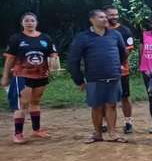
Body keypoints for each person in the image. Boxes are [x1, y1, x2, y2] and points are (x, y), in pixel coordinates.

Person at [67, 9, 127, 143]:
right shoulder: (83, 37)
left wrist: (119, 65)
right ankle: (98, 133)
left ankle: (112, 133)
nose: (105, 19)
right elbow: (73, 60)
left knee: (111, 105)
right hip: (94, 78)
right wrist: (79, 80)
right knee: (96, 106)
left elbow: (123, 53)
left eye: (106, 17)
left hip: (113, 76)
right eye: (101, 17)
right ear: (92, 20)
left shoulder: (115, 35)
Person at [2, 12, 60, 143]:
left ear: (36, 22)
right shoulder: (16, 38)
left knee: (35, 102)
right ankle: (18, 134)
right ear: (22, 23)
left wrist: (54, 63)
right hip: (22, 75)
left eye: (32, 20)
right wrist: (5, 76)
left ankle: (36, 130)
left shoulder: (45, 38)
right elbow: (10, 58)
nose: (29, 23)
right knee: (22, 104)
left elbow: (53, 55)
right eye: (26, 20)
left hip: (41, 75)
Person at [105, 5, 135, 134]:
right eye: (111, 15)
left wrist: (116, 63)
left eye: (116, 14)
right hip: (104, 71)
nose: (115, 17)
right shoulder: (101, 30)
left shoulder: (125, 30)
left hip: (122, 70)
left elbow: (128, 50)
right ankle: (108, 123)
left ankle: (128, 122)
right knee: (106, 97)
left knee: (125, 96)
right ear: (105, 16)